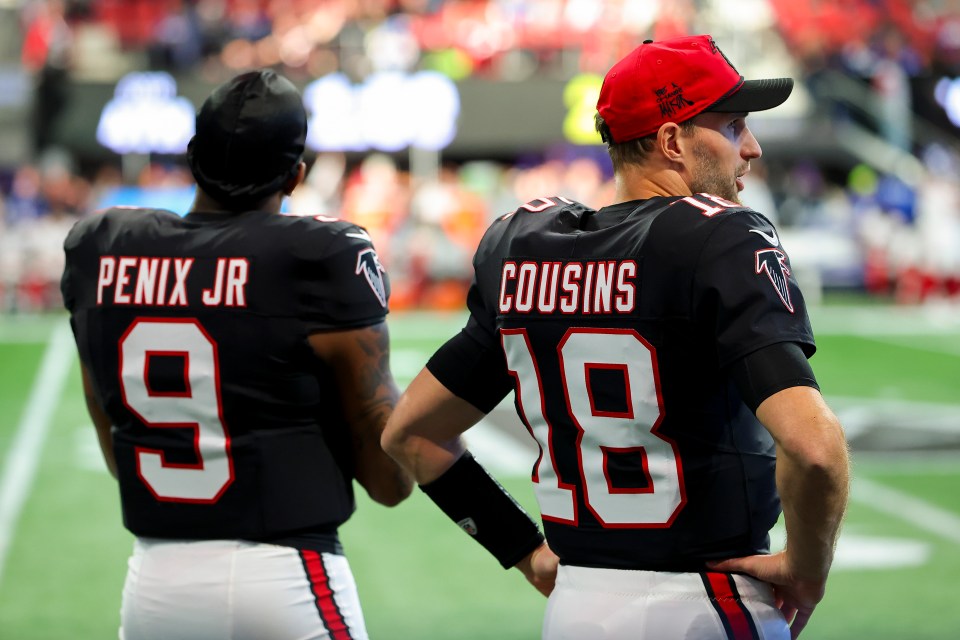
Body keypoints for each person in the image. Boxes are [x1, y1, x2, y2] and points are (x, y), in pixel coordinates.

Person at [381, 34, 850, 640]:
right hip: (703, 600)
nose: (752, 148)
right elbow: (815, 451)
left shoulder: (523, 250)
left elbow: (409, 433)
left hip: (577, 605)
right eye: (732, 126)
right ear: (671, 141)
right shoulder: (720, 238)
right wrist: (807, 569)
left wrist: (523, 549)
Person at [61, 69, 413, 640]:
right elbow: (389, 482)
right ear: (297, 175)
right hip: (287, 575)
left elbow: (113, 446)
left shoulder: (101, 248)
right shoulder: (314, 256)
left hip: (154, 585)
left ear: (191, 156)